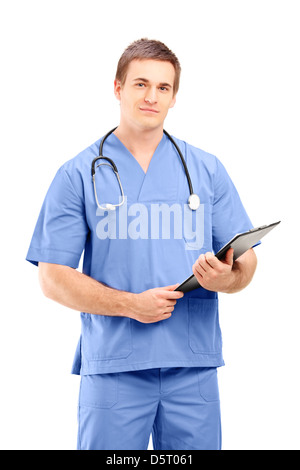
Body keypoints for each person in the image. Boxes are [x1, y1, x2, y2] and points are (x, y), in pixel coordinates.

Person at [26, 38, 257, 451]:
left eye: (163, 88)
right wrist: (130, 305)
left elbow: (246, 264)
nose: (151, 96)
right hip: (115, 368)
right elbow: (52, 277)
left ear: (173, 97)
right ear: (118, 88)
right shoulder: (77, 174)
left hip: (193, 366)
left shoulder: (206, 169)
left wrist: (227, 278)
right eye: (140, 84)